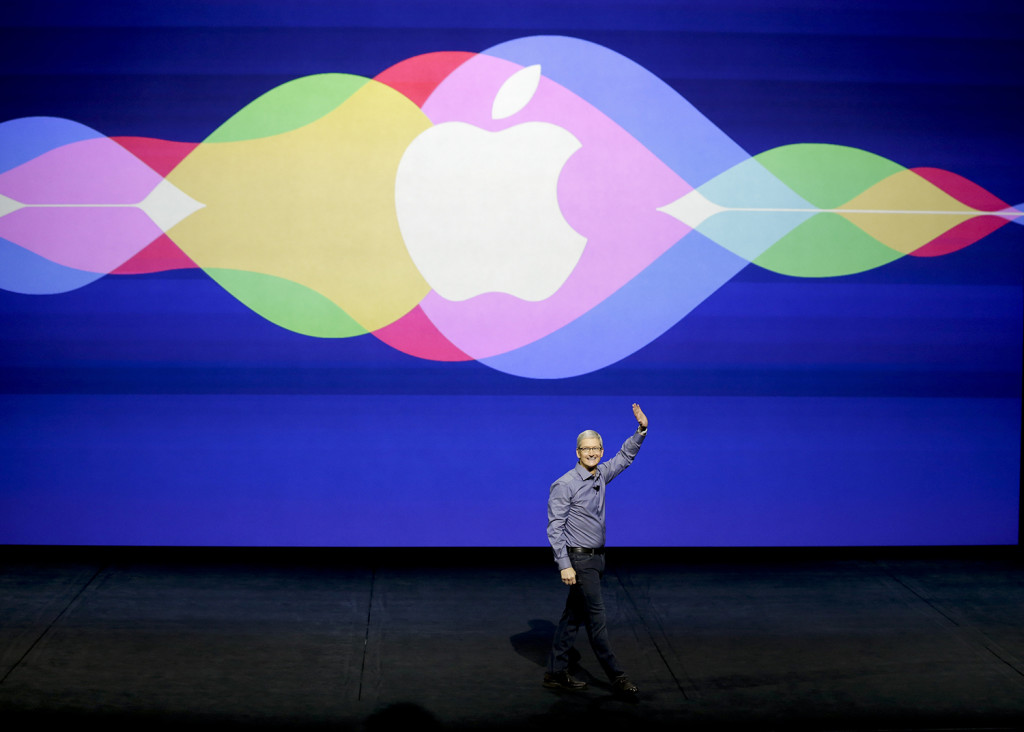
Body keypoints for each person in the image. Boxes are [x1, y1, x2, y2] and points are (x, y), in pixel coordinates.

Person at [543, 403, 648, 697]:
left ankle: (555, 672)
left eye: (596, 449)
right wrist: (564, 564)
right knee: (597, 621)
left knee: (572, 617)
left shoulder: (601, 474)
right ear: (577, 452)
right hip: (579, 561)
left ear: (601, 451)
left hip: (597, 560)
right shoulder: (564, 484)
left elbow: (625, 457)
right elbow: (555, 528)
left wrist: (641, 431)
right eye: (586, 449)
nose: (591, 453)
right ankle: (618, 678)